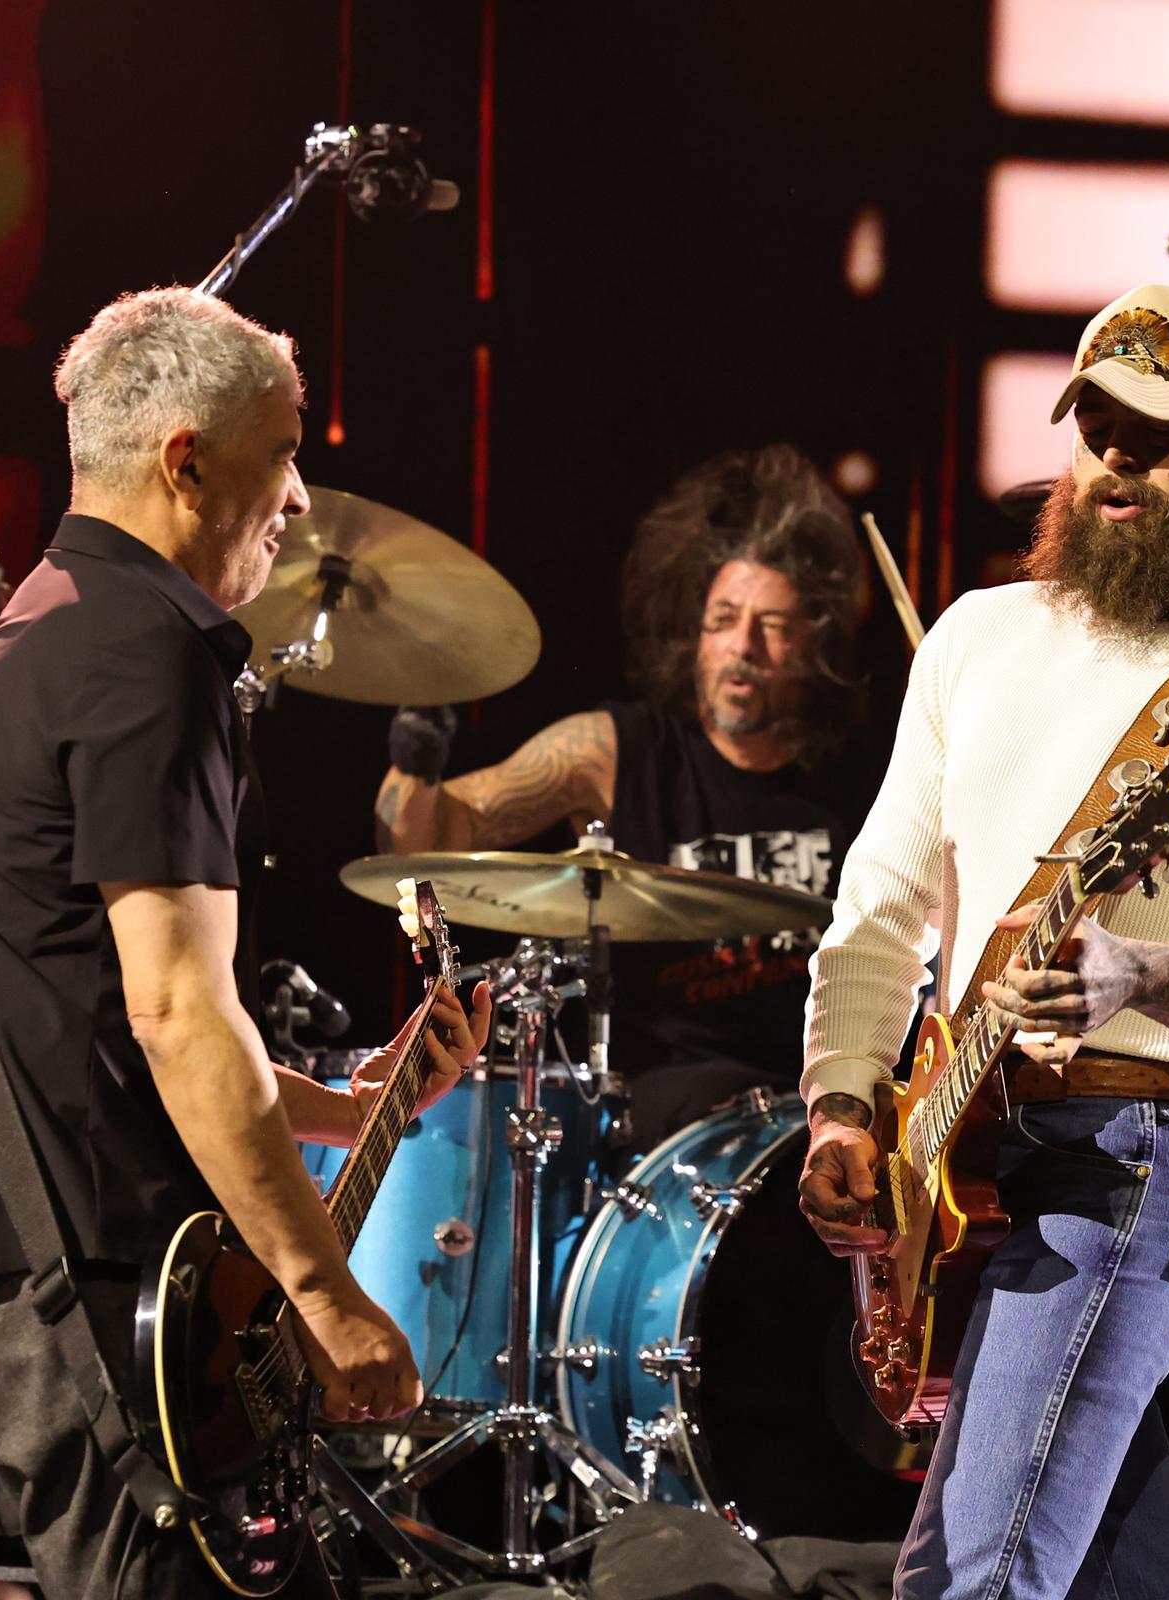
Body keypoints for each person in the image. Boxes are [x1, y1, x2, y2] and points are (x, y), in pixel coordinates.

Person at [0, 287, 493, 1600]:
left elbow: (102, 1008)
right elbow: (178, 1012)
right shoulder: (142, 652)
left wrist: (353, 1105)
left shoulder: (37, 631)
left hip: (55, 1256)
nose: (301, 497)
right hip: (93, 1277)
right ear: (186, 459)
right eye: (282, 451)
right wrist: (328, 1296)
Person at [796, 284, 1169, 1599]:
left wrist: (1142, 973)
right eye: (1095, 425)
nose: (1116, 455)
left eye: (1158, 431)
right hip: (964, 1156)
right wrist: (839, 1107)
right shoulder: (976, 639)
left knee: (973, 1579)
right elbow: (882, 898)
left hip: (1132, 1168)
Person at [373, 444, 874, 1142]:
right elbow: (430, 841)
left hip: (828, 1095)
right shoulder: (615, 750)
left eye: (774, 626)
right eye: (723, 620)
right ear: (693, 634)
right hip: (668, 1112)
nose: (742, 647)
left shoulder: (865, 771)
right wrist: (415, 764)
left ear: (814, 645)